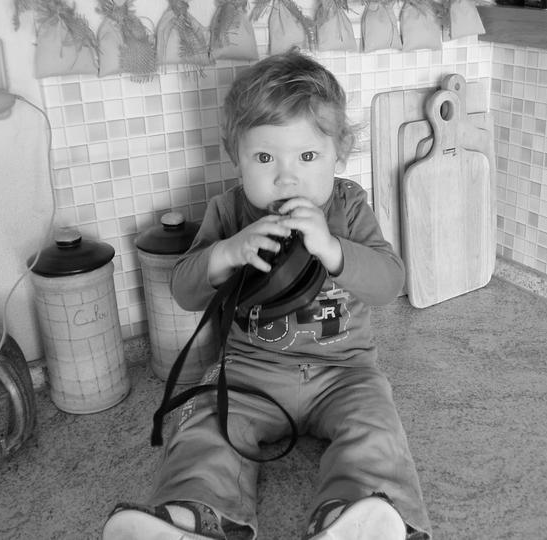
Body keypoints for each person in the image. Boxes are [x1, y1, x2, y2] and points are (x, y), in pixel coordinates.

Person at [102, 49, 431, 540]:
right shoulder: (230, 211)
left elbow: (389, 283)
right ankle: (196, 515)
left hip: (345, 373)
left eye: (307, 156)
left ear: (339, 153)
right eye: (263, 158)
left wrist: (332, 248)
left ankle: (358, 516)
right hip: (249, 373)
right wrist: (228, 251)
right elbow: (184, 290)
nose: (286, 176)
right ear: (235, 157)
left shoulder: (349, 206)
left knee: (376, 429)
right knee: (204, 425)